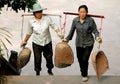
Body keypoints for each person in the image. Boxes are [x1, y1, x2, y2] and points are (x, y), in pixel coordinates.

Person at [20, 3, 63, 76]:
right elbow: (29, 32)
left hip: (47, 41)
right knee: (37, 58)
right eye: (37, 12)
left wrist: (59, 33)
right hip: (36, 43)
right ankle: (37, 72)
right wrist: (25, 41)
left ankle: (50, 70)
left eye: (40, 11)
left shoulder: (47, 18)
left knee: (49, 57)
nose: (39, 13)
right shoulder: (31, 21)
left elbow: (54, 26)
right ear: (34, 13)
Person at [63, 5, 102, 82]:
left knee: (84, 59)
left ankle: (84, 74)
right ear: (78, 12)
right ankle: (83, 71)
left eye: (84, 12)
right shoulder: (75, 20)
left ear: (87, 12)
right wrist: (67, 39)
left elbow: (95, 31)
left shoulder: (90, 20)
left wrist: (97, 37)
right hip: (79, 43)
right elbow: (72, 31)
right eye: (81, 12)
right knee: (80, 59)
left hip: (89, 43)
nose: (82, 13)